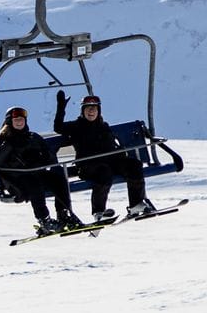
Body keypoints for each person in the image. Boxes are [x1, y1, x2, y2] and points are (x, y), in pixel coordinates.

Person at [55, 90, 155, 221]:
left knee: (134, 165)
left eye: (94, 109)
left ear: (99, 111)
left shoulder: (103, 126)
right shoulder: (76, 126)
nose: (91, 112)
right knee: (104, 172)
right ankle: (99, 211)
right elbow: (58, 127)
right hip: (88, 165)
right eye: (88, 109)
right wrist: (61, 107)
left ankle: (136, 204)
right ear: (83, 111)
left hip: (110, 161)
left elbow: (112, 146)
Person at [0, 105, 79, 236]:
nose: (19, 122)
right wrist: (10, 146)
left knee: (58, 180)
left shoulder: (32, 137)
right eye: (16, 119)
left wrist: (38, 158)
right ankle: (44, 219)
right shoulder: (1, 139)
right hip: (15, 180)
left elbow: (48, 155)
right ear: (9, 122)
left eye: (21, 119)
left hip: (35, 173)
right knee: (34, 183)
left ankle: (63, 214)